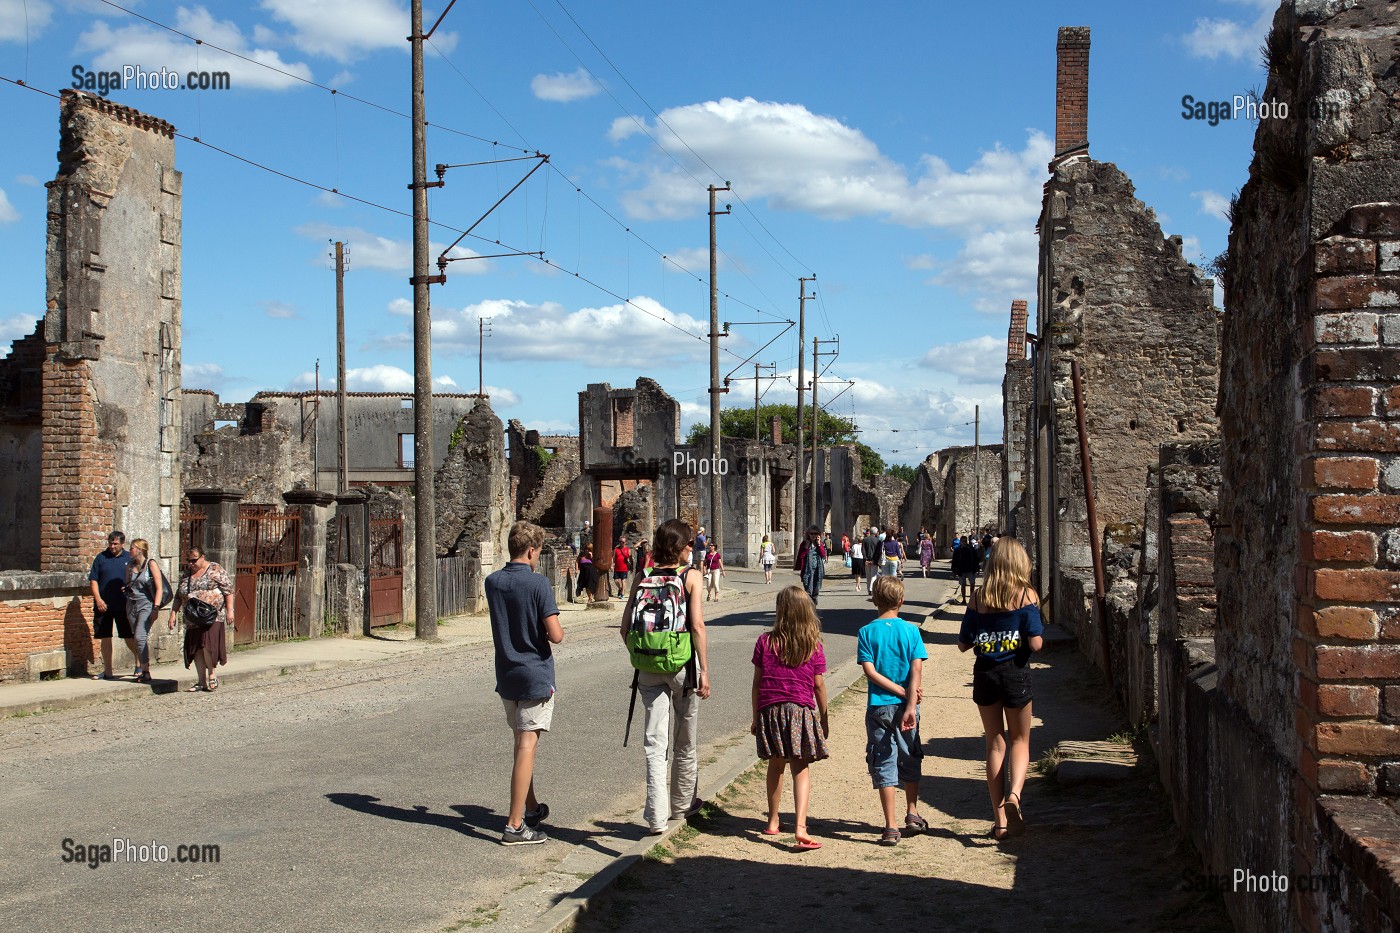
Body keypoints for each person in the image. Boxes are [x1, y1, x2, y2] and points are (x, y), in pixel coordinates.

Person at [620, 519, 710, 834]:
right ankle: (682, 805)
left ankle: (656, 817)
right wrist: (704, 671)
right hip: (682, 667)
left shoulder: (642, 576)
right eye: (690, 544)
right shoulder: (691, 577)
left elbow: (624, 627)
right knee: (685, 740)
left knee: (654, 742)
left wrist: (642, 652)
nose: (693, 549)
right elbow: (697, 626)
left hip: (647, 667)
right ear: (678, 546)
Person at [958, 536, 1043, 841]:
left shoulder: (978, 598)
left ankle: (999, 823)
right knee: (1020, 740)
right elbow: (1035, 643)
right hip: (1015, 673)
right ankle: (1015, 796)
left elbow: (963, 644)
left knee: (995, 744)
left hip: (985, 674)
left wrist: (987, 637)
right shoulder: (1026, 596)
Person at [486, 521, 564, 845]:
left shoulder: (493, 582)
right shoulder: (538, 584)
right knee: (527, 745)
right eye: (538, 552)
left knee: (521, 744)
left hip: (506, 675)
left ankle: (530, 806)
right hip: (534, 674)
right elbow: (556, 635)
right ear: (531, 551)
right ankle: (515, 825)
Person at [752, 586, 829, 849]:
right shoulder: (813, 645)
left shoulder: (765, 641)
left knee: (775, 765)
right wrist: (824, 718)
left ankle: (773, 821)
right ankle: (800, 827)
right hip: (800, 710)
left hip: (771, 711)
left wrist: (755, 717)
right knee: (800, 768)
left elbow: (757, 683)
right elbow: (818, 685)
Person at [857, 576, 929, 845]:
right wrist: (909, 698)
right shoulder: (911, 631)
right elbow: (917, 668)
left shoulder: (866, 632)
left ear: (874, 599)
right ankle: (912, 812)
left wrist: (897, 692)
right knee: (910, 755)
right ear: (901, 601)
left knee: (883, 760)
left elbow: (870, 671)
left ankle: (890, 825)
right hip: (907, 707)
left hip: (878, 706)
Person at [170, 546, 234, 692]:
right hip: (193, 617)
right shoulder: (187, 574)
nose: (191, 564)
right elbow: (179, 595)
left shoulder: (214, 569)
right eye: (189, 561)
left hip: (212, 616)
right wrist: (173, 613)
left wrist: (230, 610)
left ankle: (212, 674)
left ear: (202, 557)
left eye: (194, 560)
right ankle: (201, 681)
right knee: (196, 648)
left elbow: (228, 590)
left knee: (207, 645)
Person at [88, 531, 136, 680]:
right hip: (104, 605)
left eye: (115, 544)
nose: (112, 546)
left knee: (129, 636)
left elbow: (138, 578)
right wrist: (98, 599)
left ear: (122, 544)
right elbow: (93, 580)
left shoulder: (129, 558)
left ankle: (139, 663)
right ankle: (108, 671)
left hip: (123, 604)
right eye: (110, 543)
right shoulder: (101, 558)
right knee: (105, 637)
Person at [124, 538, 165, 683]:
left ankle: (145, 670)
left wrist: (156, 607)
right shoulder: (129, 566)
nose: (130, 551)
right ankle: (142, 669)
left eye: (132, 548)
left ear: (140, 550)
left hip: (146, 605)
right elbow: (129, 584)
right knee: (137, 637)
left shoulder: (150, 564)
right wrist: (126, 589)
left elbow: (159, 588)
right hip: (132, 605)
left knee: (140, 637)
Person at [795, 527, 827, 607]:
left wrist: (819, 544)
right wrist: (806, 548)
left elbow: (823, 555)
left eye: (815, 534)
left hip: (817, 569)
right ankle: (809, 605)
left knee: (816, 587)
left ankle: (814, 604)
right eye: (811, 533)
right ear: (808, 534)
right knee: (808, 587)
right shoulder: (805, 543)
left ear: (818, 535)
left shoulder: (820, 544)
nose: (813, 535)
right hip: (807, 570)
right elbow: (800, 556)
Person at [952, 536, 983, 603]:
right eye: (963, 541)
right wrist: (954, 570)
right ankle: (964, 599)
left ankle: (971, 598)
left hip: (970, 569)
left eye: (965, 541)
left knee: (972, 584)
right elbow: (954, 561)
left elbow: (975, 559)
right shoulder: (957, 550)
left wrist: (977, 568)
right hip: (961, 570)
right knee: (963, 585)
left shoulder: (971, 549)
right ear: (960, 542)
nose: (964, 543)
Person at [861, 526, 881, 596]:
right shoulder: (877, 541)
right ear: (876, 533)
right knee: (873, 575)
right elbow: (878, 552)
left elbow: (863, 550)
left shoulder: (865, 540)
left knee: (868, 576)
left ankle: (869, 589)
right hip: (874, 561)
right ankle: (871, 589)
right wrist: (874, 560)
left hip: (867, 560)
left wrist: (865, 559)